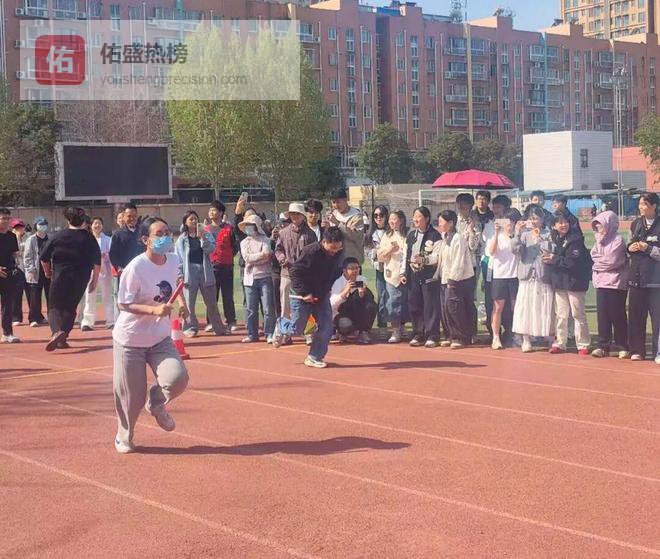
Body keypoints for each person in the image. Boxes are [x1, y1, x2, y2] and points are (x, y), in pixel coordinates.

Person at [112, 217, 190, 454]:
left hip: (159, 338)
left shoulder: (173, 259)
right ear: (146, 239)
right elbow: (123, 303)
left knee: (177, 379)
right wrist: (153, 310)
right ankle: (124, 436)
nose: (166, 237)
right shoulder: (136, 267)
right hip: (130, 340)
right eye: (159, 234)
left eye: (167, 232)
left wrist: (183, 303)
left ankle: (156, 404)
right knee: (131, 397)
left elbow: (176, 282)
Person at [272, 227, 344, 368]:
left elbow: (335, 272)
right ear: (324, 241)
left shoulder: (338, 253)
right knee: (297, 329)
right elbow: (295, 272)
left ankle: (314, 357)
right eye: (332, 248)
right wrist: (305, 293)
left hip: (321, 295)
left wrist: (325, 289)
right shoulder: (310, 252)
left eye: (338, 248)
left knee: (326, 326)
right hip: (301, 294)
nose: (334, 251)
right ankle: (281, 325)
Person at [40, 207, 102, 351]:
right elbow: (97, 262)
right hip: (81, 277)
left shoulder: (57, 236)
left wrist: (48, 272)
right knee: (70, 307)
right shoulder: (89, 237)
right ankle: (63, 337)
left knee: (54, 306)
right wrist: (94, 280)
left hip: (60, 275)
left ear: (67, 220)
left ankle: (57, 331)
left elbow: (44, 257)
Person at [542, 211, 592, 355]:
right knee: (561, 314)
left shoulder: (575, 240)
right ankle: (560, 343)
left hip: (575, 282)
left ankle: (582, 344)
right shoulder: (554, 239)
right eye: (559, 222)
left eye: (565, 222)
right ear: (554, 225)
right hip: (560, 282)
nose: (563, 225)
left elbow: (572, 262)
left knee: (578, 314)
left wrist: (554, 259)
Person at [175, 210, 226, 338]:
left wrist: (202, 238)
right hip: (189, 271)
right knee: (189, 302)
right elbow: (178, 258)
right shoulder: (181, 239)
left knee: (211, 301)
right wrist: (180, 274)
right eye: (191, 219)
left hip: (205, 270)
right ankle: (190, 327)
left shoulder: (206, 234)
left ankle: (218, 327)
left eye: (195, 219)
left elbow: (211, 249)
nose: (194, 221)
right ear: (185, 222)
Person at [511, 205, 554, 353]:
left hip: (543, 276)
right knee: (526, 308)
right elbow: (515, 250)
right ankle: (526, 339)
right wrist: (517, 233)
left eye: (536, 218)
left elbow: (551, 250)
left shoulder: (549, 233)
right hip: (527, 276)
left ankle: (549, 337)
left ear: (542, 219)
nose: (534, 221)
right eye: (531, 218)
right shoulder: (524, 234)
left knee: (545, 308)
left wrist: (540, 238)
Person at [590, 210, 629, 359]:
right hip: (601, 283)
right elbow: (594, 256)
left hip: (616, 282)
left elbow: (612, 261)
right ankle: (603, 345)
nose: (598, 228)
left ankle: (622, 345)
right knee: (603, 316)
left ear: (609, 224)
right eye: (596, 225)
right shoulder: (598, 239)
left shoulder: (618, 240)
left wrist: (598, 264)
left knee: (617, 315)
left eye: (600, 225)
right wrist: (600, 263)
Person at [626, 193, 660, 361]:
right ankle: (636, 350)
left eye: (644, 204)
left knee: (657, 319)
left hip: (655, 281)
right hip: (636, 279)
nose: (641, 207)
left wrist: (649, 249)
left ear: (654, 206)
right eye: (640, 204)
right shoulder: (636, 224)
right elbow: (629, 244)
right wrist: (630, 247)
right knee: (636, 317)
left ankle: (658, 352)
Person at [403, 206, 443, 348]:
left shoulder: (435, 235)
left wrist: (424, 260)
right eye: (414, 216)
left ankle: (432, 335)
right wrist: (403, 273)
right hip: (413, 276)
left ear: (426, 219)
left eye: (419, 216)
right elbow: (405, 255)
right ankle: (418, 334)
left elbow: (437, 257)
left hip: (429, 277)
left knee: (430, 307)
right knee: (415, 305)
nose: (415, 219)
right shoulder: (411, 235)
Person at [437, 210, 476, 349]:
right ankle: (450, 335)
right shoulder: (445, 237)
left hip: (458, 280)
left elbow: (458, 261)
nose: (439, 224)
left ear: (451, 223)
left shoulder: (458, 238)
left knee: (455, 308)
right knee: (445, 308)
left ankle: (460, 337)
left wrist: (453, 280)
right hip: (445, 278)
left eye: (441, 222)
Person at [275, 203, 317, 320]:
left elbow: (315, 253)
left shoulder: (310, 234)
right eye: (292, 214)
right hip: (287, 274)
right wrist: (282, 259)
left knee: (305, 305)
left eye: (297, 214)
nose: (295, 216)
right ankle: (285, 329)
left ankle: (306, 330)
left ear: (303, 215)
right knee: (285, 306)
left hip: (304, 276)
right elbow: (278, 249)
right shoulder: (283, 233)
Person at [487, 209, 520, 350]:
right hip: (500, 276)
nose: (509, 224)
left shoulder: (518, 236)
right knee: (498, 307)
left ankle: (516, 335)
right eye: (507, 221)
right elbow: (491, 251)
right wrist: (496, 233)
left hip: (515, 277)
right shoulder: (498, 236)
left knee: (515, 307)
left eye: (512, 221)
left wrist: (518, 232)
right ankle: (496, 337)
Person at [239, 214, 275, 343]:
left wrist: (255, 259)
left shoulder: (265, 240)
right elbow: (246, 258)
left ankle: (269, 333)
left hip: (265, 276)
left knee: (268, 307)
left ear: (257, 226)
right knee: (251, 308)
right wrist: (261, 257)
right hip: (249, 278)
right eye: (246, 225)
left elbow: (267, 255)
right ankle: (252, 334)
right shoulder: (244, 242)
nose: (248, 227)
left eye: (250, 225)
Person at [206, 200, 238, 333]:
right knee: (212, 296)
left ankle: (231, 321)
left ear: (221, 213)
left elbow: (235, 246)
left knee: (228, 295)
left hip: (226, 266)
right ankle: (211, 322)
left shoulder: (229, 229)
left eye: (214, 210)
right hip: (210, 266)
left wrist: (227, 257)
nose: (211, 212)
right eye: (210, 210)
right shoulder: (205, 229)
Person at [110, 203, 144, 324]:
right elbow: (113, 255)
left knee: (142, 300)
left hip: (142, 273)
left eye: (134, 216)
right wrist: (120, 269)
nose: (132, 218)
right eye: (129, 216)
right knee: (125, 302)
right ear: (123, 217)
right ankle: (123, 324)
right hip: (125, 274)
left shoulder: (142, 233)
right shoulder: (118, 234)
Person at [377, 210, 408, 343]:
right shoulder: (387, 235)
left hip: (407, 273)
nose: (391, 222)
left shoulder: (408, 234)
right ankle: (395, 330)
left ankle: (402, 327)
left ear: (401, 220)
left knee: (406, 302)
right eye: (390, 219)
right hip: (392, 274)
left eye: (394, 219)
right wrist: (390, 250)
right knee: (393, 302)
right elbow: (380, 256)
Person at [330, 257, 377, 344]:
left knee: (371, 305)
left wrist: (362, 293)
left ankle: (363, 331)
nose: (355, 271)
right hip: (342, 313)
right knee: (345, 325)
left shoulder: (362, 279)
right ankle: (342, 332)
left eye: (357, 268)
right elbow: (332, 305)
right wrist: (345, 291)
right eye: (351, 268)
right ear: (344, 271)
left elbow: (368, 302)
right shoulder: (338, 282)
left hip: (358, 311)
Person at [79, 217, 115, 331]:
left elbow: (112, 255)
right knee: (90, 297)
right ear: (91, 226)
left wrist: (105, 255)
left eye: (99, 223)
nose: (97, 226)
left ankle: (111, 321)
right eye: (95, 223)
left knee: (107, 296)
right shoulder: (87, 239)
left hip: (105, 272)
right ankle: (87, 322)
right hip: (90, 272)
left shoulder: (108, 240)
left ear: (102, 226)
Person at [323, 188, 365, 265]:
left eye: (338, 202)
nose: (336, 205)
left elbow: (355, 236)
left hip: (352, 261)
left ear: (345, 200)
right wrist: (327, 228)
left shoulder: (356, 216)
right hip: (334, 261)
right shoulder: (332, 214)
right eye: (334, 202)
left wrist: (337, 223)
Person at [23, 217, 50, 328]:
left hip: (49, 271)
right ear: (35, 226)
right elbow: (27, 256)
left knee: (50, 295)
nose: (42, 226)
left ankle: (51, 317)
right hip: (36, 272)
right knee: (35, 296)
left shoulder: (50, 238)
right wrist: (30, 269)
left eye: (44, 224)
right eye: (40, 224)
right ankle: (33, 318)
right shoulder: (31, 239)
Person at [367, 205, 389, 329]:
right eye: (375, 216)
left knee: (395, 295)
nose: (378, 218)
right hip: (379, 269)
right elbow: (369, 253)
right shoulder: (371, 234)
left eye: (381, 215)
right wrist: (376, 253)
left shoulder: (390, 232)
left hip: (392, 268)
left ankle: (399, 323)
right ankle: (382, 323)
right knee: (382, 295)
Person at [0, 208, 20, 343]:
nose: (6, 221)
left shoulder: (12, 236)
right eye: (3, 218)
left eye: (8, 218)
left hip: (8, 274)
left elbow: (14, 254)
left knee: (7, 304)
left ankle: (7, 333)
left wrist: (14, 268)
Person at [9, 219, 28, 326]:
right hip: (17, 268)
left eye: (21, 227)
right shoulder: (10, 238)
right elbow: (14, 253)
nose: (19, 229)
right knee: (16, 294)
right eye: (16, 227)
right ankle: (16, 317)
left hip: (28, 268)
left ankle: (35, 316)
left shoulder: (29, 238)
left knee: (32, 294)